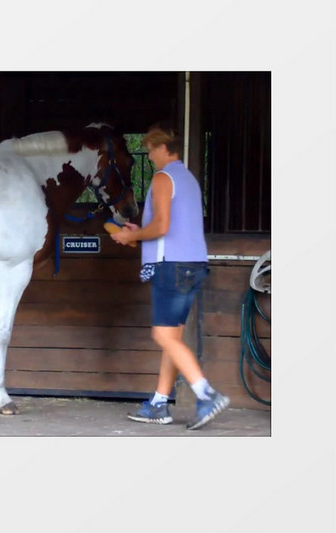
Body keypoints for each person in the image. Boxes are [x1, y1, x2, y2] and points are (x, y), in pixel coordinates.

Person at [110, 124, 229, 430]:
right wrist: (140, 232)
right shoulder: (187, 178)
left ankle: (206, 395)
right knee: (172, 338)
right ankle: (159, 404)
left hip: (172, 267)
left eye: (150, 150)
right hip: (193, 265)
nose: (149, 156)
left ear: (165, 149)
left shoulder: (163, 178)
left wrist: (127, 238)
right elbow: (168, 225)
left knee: (163, 336)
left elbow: (161, 228)